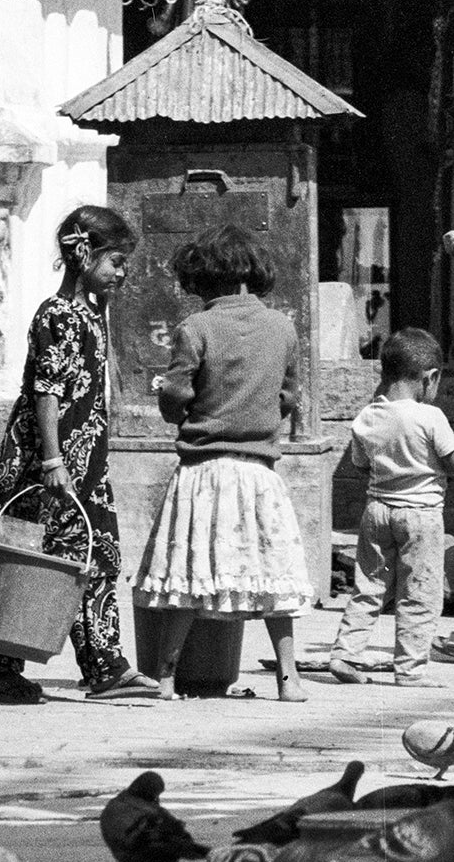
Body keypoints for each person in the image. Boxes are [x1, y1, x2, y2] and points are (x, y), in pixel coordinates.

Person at [0, 204, 161, 703]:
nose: (121, 273)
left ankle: (105, 667)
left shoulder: (94, 314)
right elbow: (46, 391)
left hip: (86, 463)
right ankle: (7, 671)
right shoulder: (57, 315)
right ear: (84, 255)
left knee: (94, 557)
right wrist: (53, 462)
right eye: (116, 261)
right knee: (21, 558)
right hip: (45, 462)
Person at [132, 224, 313, 702]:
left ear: (204, 278)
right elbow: (290, 398)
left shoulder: (195, 329)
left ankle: (167, 676)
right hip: (258, 473)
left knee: (187, 577)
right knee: (273, 577)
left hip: (203, 472)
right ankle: (289, 679)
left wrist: (170, 397)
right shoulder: (283, 328)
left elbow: (176, 400)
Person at [329, 327, 454, 688]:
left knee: (368, 586)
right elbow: (450, 461)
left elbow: (360, 465)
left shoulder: (367, 417)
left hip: (377, 511)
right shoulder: (431, 418)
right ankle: (410, 670)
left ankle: (345, 653)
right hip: (421, 515)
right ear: (430, 378)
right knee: (419, 592)